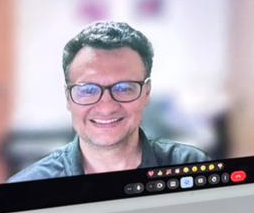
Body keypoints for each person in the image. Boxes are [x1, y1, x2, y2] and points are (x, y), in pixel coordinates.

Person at [11, 21, 205, 181]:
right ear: (68, 97)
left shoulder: (191, 167)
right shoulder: (27, 188)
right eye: (88, 90)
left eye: (124, 88)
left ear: (147, 93)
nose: (107, 107)